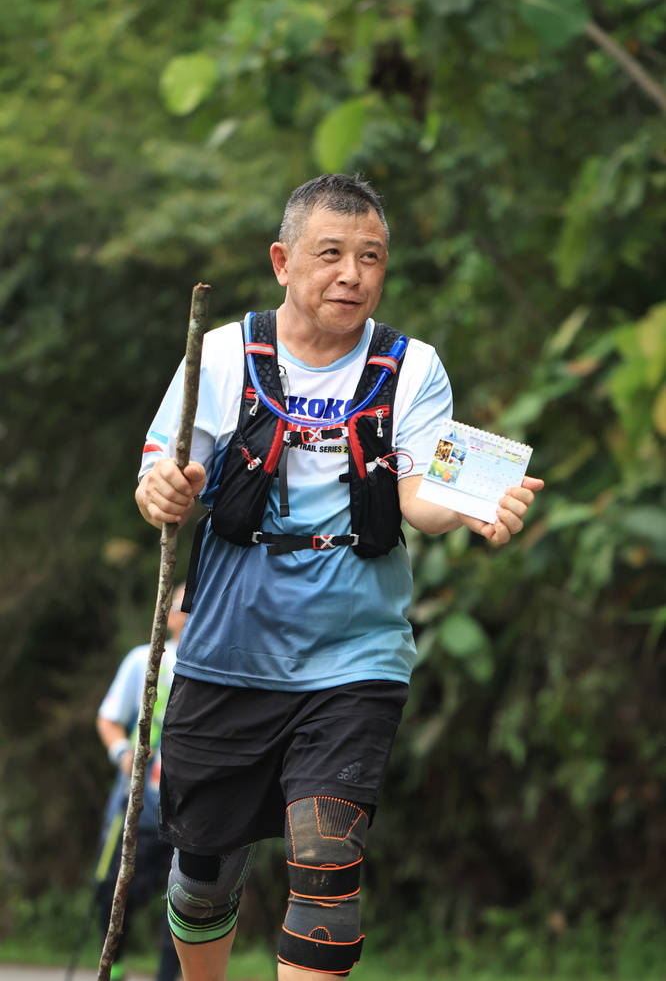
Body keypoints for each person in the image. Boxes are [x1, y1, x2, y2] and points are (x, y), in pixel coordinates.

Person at [135, 173, 544, 981]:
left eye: (371, 257)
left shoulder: (412, 367)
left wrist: (475, 506)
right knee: (203, 872)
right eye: (331, 254)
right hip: (227, 654)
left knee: (328, 866)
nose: (352, 274)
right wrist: (165, 492)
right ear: (283, 261)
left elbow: (418, 496)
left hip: (354, 659)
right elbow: (159, 476)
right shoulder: (220, 355)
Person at [95, 585, 188, 981]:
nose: (190, 613)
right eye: (183, 605)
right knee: (111, 888)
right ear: (169, 613)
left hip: (189, 809)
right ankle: (112, 966)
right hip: (137, 804)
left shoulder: (221, 663)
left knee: (184, 901)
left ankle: (169, 975)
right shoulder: (145, 658)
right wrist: (122, 753)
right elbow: (109, 717)